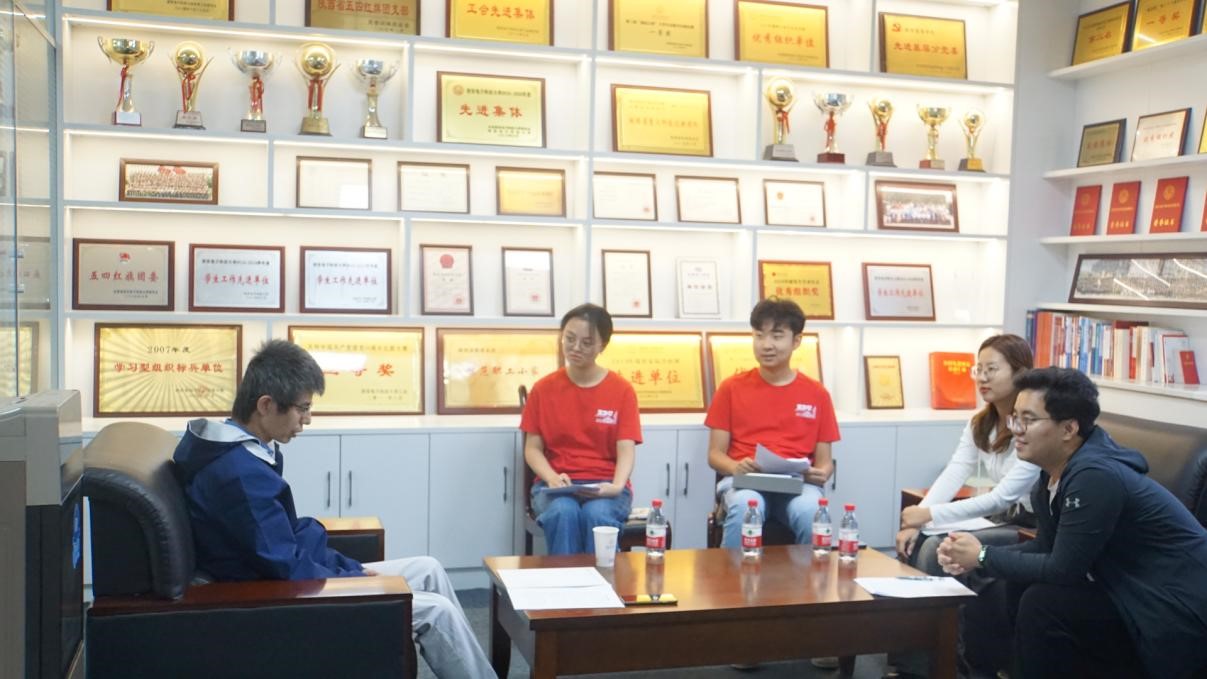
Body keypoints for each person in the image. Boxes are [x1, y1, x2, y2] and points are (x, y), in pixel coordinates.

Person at [172, 340, 495, 679]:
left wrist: (349, 568)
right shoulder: (238, 474)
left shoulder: (245, 452)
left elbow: (283, 543)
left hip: (293, 577)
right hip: (278, 597)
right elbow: (284, 565)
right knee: (437, 612)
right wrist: (352, 579)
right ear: (266, 405)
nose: (307, 420)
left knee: (428, 568)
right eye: (302, 409)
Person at [938, 367, 1207, 679]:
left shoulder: (1094, 476)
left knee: (1043, 602)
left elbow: (1064, 569)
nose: (1016, 430)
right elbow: (1046, 548)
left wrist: (983, 556)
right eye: (1015, 418)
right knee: (1012, 581)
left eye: (1029, 420)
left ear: (1068, 429)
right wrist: (976, 556)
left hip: (1173, 607)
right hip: (1128, 592)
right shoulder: (1051, 474)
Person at [889, 334, 1040, 677]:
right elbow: (955, 471)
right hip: (1000, 518)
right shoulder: (981, 422)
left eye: (992, 369)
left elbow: (1003, 495)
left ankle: (946, 665)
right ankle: (916, 662)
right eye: (978, 369)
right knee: (920, 540)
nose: (982, 378)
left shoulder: (1031, 424)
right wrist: (917, 521)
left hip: (1029, 526)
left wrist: (929, 514)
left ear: (1020, 373)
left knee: (940, 547)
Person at [706, 298, 838, 548]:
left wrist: (821, 472)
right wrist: (735, 467)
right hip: (747, 481)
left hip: (798, 484)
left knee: (812, 513)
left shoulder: (817, 394)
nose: (766, 345)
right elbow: (714, 454)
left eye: (777, 336)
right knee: (746, 506)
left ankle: (810, 575)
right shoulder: (731, 388)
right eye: (759, 336)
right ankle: (729, 574)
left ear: (796, 340)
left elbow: (825, 461)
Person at [521, 303, 640, 555]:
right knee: (564, 511)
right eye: (570, 338)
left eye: (586, 342)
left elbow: (626, 449)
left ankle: (602, 580)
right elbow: (532, 448)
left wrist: (617, 485)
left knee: (597, 514)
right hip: (556, 485)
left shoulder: (622, 390)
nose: (575, 348)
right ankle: (566, 580)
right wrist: (551, 477)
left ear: (602, 346)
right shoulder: (543, 389)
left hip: (605, 485)